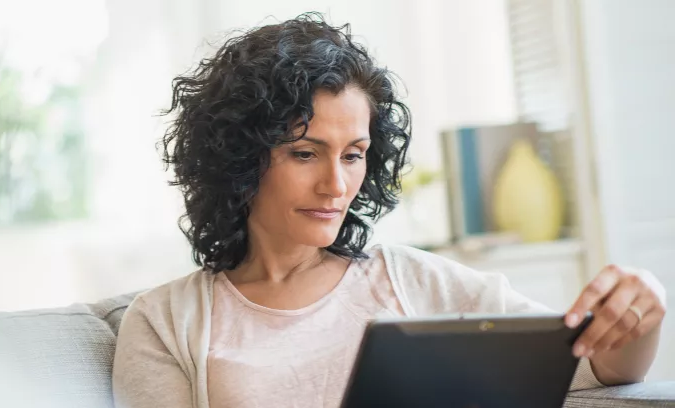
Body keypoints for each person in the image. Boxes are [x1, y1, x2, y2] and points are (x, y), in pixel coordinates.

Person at [112, 13, 667, 408]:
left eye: (353, 155)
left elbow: (601, 370)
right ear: (237, 157)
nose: (336, 184)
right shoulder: (165, 323)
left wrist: (641, 312)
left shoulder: (415, 281)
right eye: (304, 153)